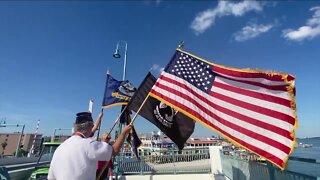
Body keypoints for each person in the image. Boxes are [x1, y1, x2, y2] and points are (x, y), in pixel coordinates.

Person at [48, 112, 132, 180]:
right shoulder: (88, 145)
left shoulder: (60, 148)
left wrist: (99, 117)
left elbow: (51, 177)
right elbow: (114, 151)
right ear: (90, 127)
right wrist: (124, 133)